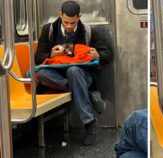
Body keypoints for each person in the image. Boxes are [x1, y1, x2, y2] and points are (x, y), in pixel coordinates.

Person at [34, 1, 112, 146]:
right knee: (43, 74)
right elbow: (38, 58)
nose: (69, 26)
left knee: (74, 70)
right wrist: (50, 55)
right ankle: (87, 94)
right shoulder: (48, 30)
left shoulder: (88, 32)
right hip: (56, 77)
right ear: (60, 16)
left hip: (82, 75)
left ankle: (89, 123)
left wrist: (98, 55)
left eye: (73, 22)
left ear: (79, 17)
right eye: (66, 22)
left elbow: (107, 54)